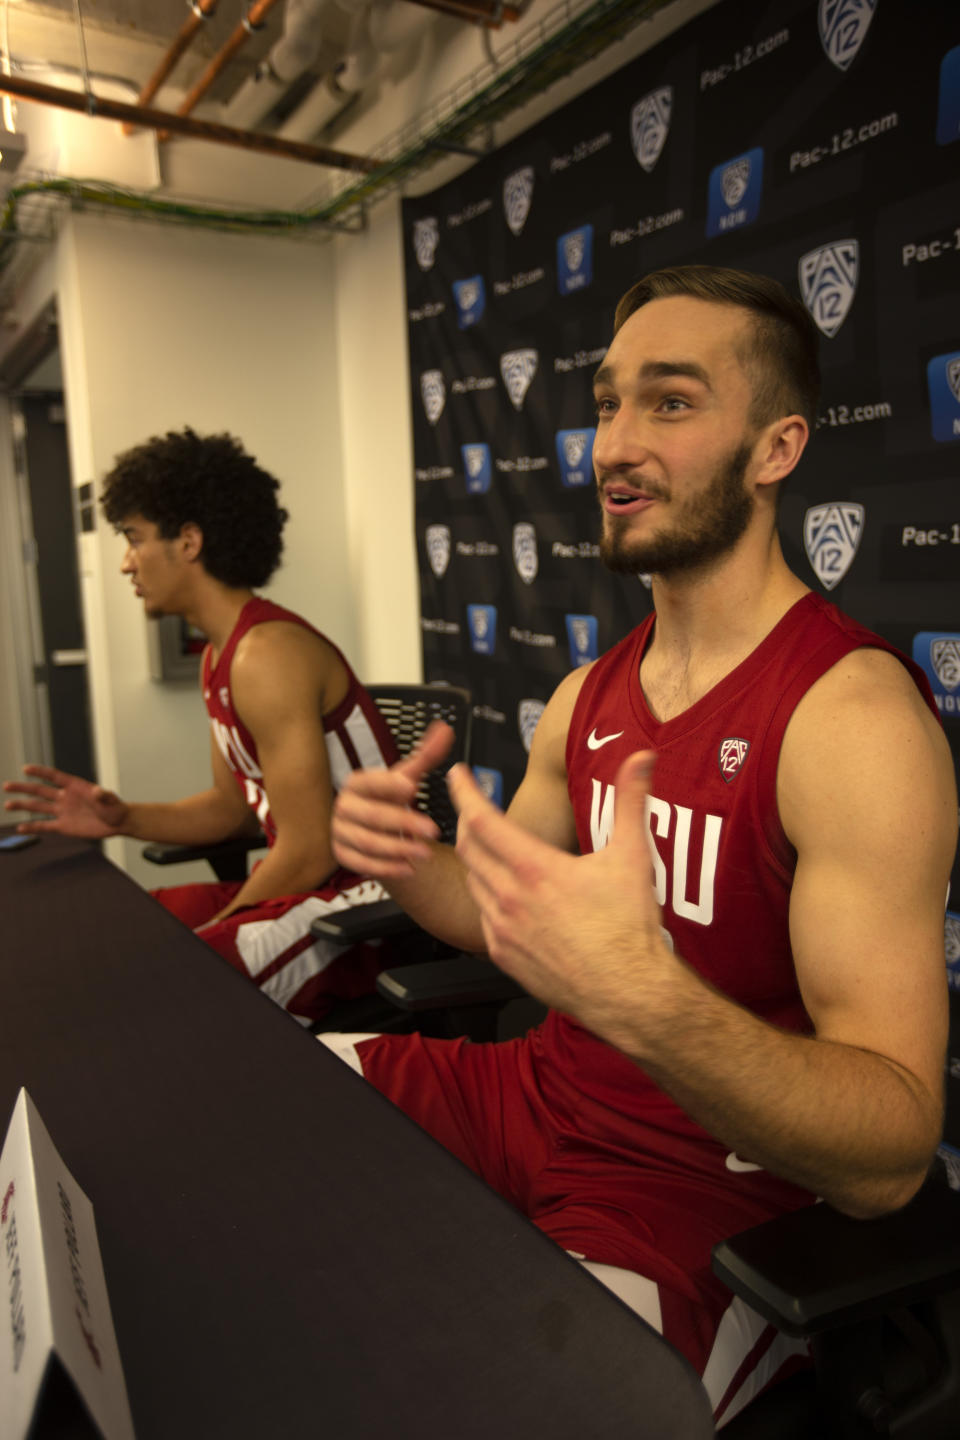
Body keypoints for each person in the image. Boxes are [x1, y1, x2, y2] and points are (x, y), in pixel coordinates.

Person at [326, 266, 957, 1425]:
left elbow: (892, 1154)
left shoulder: (851, 722)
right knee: (250, 1112)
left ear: (775, 450)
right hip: (530, 1094)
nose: (613, 444)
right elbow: (501, 924)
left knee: (507, 1402)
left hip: (703, 1196)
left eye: (670, 403)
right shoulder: (586, 694)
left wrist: (648, 999)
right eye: (609, 402)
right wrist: (407, 861)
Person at [4, 428, 398, 1023]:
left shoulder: (266, 653)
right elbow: (230, 808)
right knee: (98, 934)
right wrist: (123, 818)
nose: (124, 563)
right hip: (305, 888)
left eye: (134, 539)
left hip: (367, 906)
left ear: (188, 542)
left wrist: (219, 924)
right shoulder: (220, 654)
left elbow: (311, 849)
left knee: (151, 984)